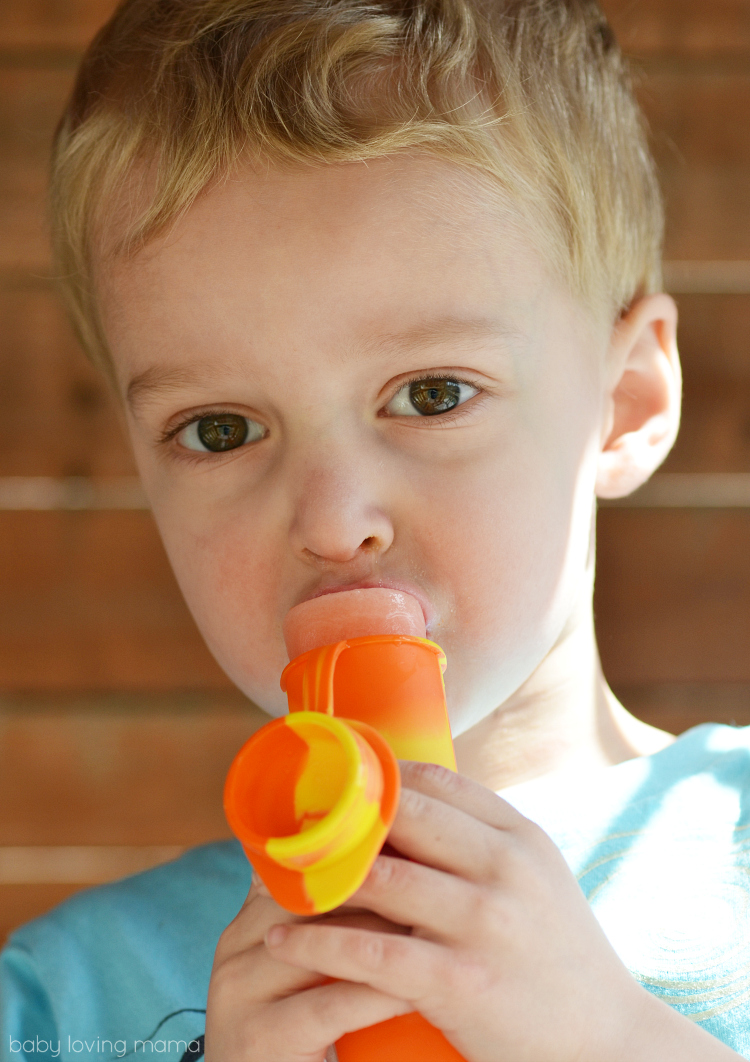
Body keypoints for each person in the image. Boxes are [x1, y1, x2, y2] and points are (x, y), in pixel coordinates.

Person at [2, 0, 749, 1059]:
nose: (333, 519)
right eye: (221, 428)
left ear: (622, 403)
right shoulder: (61, 1002)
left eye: (433, 394)